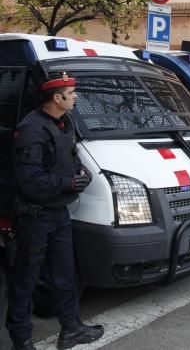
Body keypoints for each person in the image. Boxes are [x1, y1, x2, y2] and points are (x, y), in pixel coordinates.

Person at [6, 72, 104, 350]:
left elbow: (67, 160)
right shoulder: (31, 130)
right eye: (71, 93)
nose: (75, 97)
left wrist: (79, 173)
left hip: (58, 214)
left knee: (64, 276)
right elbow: (30, 181)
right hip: (34, 218)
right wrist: (69, 182)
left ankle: (71, 329)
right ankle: (21, 339)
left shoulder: (64, 123)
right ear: (57, 98)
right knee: (25, 280)